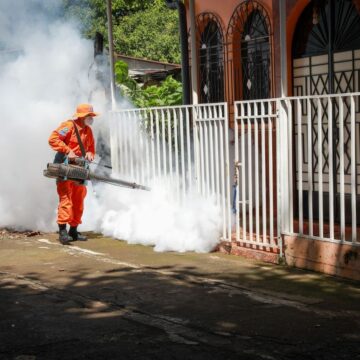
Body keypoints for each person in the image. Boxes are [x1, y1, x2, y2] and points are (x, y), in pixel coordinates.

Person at [48, 103, 99, 244]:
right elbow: (53, 139)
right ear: (82, 116)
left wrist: (90, 154)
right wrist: (67, 150)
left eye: (92, 116)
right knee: (66, 199)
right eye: (89, 116)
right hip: (64, 167)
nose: (91, 118)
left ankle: (74, 230)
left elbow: (91, 149)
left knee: (79, 199)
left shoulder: (88, 131)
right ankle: (63, 231)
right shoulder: (68, 126)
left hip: (80, 169)